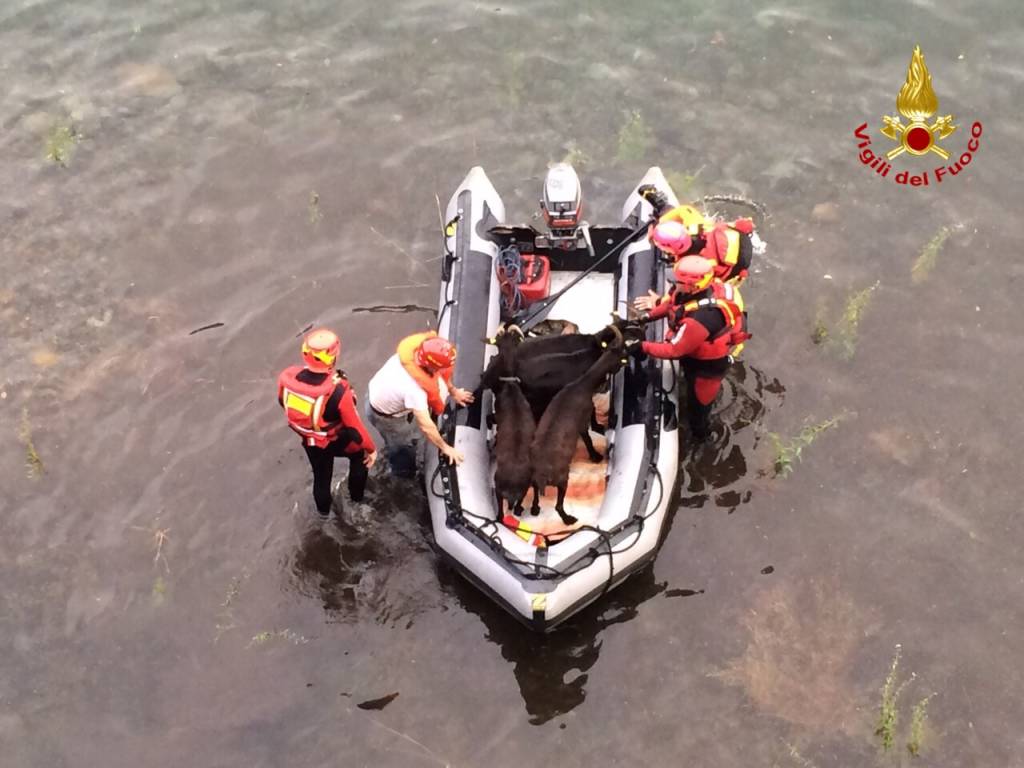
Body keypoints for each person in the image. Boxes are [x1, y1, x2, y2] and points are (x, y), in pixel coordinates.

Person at [631, 256, 749, 441]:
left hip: (708, 367)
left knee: (699, 408)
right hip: (694, 355)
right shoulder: (686, 293)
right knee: (689, 379)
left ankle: (702, 437)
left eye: (678, 280)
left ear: (692, 286)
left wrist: (642, 346)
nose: (673, 283)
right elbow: (671, 306)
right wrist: (646, 317)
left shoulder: (703, 317)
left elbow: (674, 350)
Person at [277, 328, 378, 519]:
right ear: (333, 357)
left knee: (321, 478)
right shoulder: (338, 390)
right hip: (338, 439)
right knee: (361, 457)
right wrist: (371, 449)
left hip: (311, 441)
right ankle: (357, 503)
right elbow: (355, 429)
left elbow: (282, 402)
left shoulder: (287, 377)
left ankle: (323, 516)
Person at [366, 331, 475, 477]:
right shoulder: (414, 390)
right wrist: (445, 448)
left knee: (412, 433)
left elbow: (442, 374)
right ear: (432, 366)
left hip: (380, 393)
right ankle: (402, 475)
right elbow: (426, 425)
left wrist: (453, 392)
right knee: (403, 449)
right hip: (386, 417)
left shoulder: (414, 355)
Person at [637, 184, 756, 285]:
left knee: (713, 282)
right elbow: (682, 210)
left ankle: (661, 204)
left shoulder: (689, 265)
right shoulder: (695, 225)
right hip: (739, 238)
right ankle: (660, 203)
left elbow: (698, 286)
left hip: (736, 268)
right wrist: (661, 223)